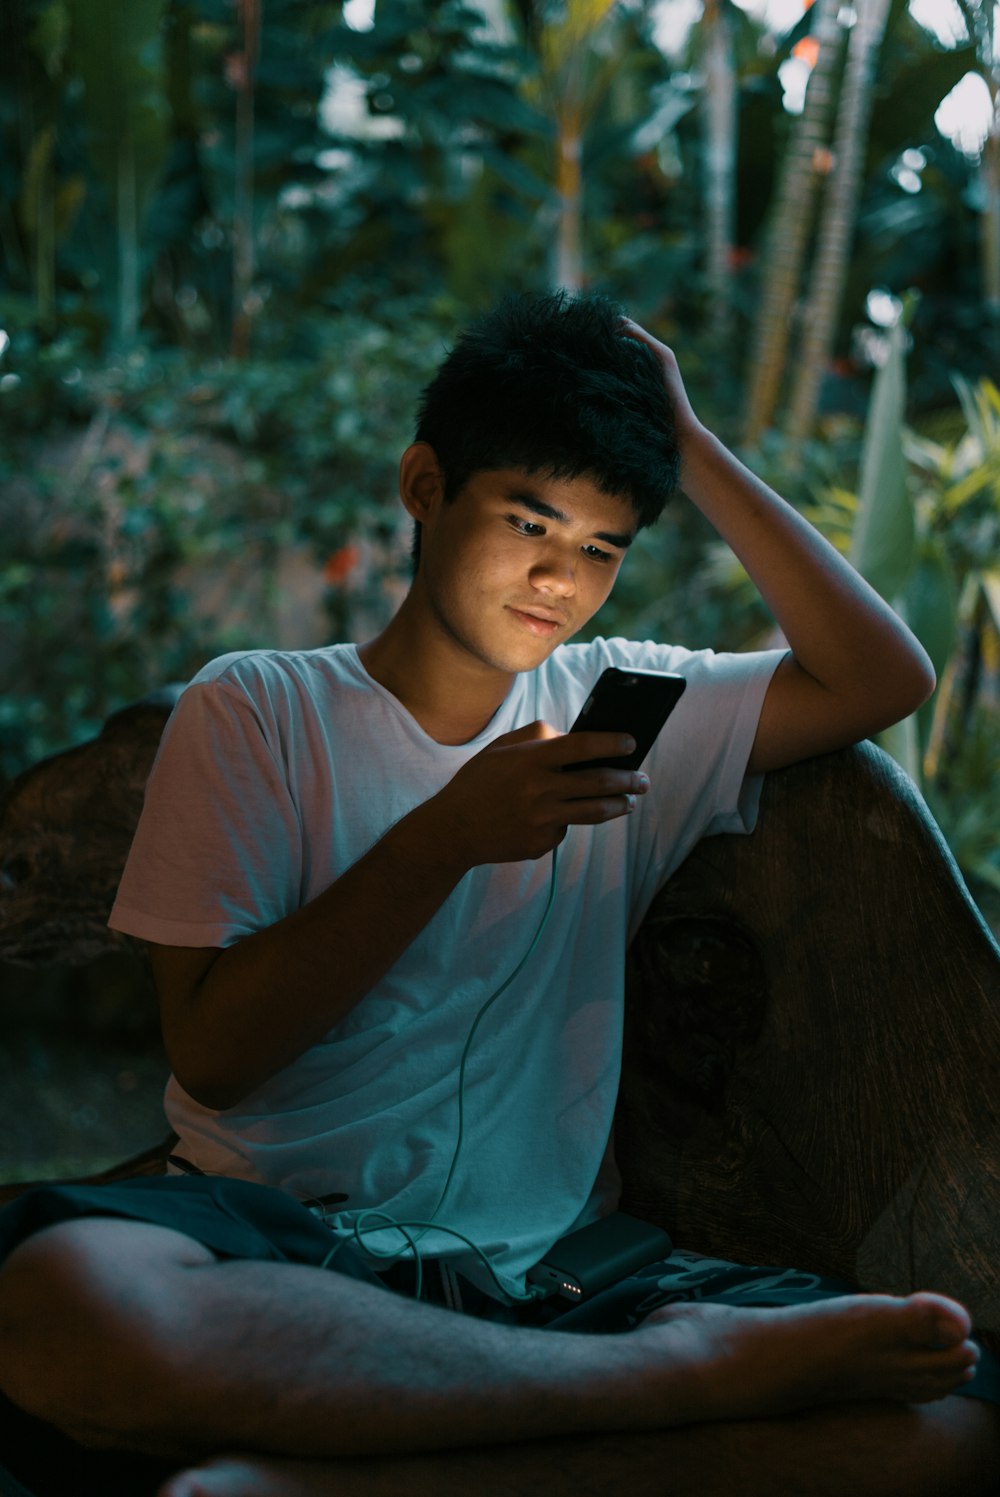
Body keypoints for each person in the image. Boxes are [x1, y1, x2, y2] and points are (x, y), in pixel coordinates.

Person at [0, 292, 997, 1497]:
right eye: (529, 521)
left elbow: (883, 673)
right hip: (285, 1237)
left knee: (944, 1431)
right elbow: (214, 1058)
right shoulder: (257, 710)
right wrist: (443, 840)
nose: (558, 580)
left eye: (602, 547)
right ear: (425, 486)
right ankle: (673, 1379)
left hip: (556, 1270)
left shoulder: (622, 706)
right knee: (74, 1302)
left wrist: (687, 444)